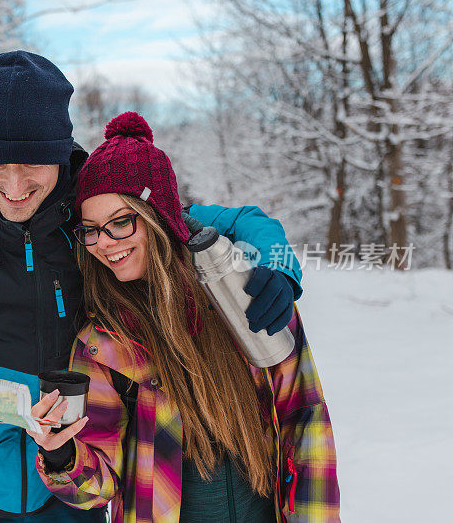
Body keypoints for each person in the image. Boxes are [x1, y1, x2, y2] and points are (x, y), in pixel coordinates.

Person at [0, 52, 305, 522]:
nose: (15, 186)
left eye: (33, 162)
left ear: (60, 150)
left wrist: (280, 266)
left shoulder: (100, 213)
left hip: (77, 486)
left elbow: (241, 221)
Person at [29, 112, 340, 523]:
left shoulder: (245, 297)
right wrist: (62, 453)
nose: (103, 244)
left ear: (159, 217)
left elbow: (306, 421)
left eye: (120, 223)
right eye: (90, 230)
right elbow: (97, 488)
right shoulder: (102, 343)